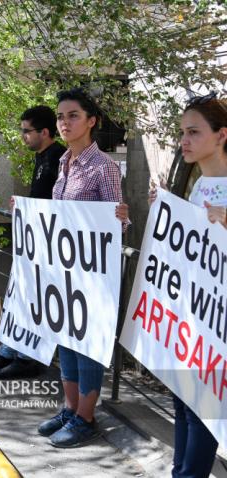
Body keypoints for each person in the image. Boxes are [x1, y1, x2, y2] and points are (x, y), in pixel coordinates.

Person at [35, 88, 130, 448]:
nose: (64, 122)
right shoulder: (64, 163)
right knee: (68, 341)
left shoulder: (103, 167)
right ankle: (70, 408)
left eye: (72, 115)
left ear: (91, 121)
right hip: (64, 271)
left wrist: (121, 217)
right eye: (60, 116)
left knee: (88, 345)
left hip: (92, 276)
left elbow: (116, 225)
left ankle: (86, 417)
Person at [149, 92, 226, 478]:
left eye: (194, 132)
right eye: (182, 132)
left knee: (201, 408)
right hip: (190, 314)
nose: (185, 141)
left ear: (221, 135)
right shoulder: (199, 186)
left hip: (218, 324)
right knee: (181, 402)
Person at [0, 105, 66, 379]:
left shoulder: (59, 158)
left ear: (44, 132)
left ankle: (29, 359)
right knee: (20, 299)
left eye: (27, 131)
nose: (22, 136)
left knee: (37, 303)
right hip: (33, 239)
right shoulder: (42, 157)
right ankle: (9, 352)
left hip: (50, 245)